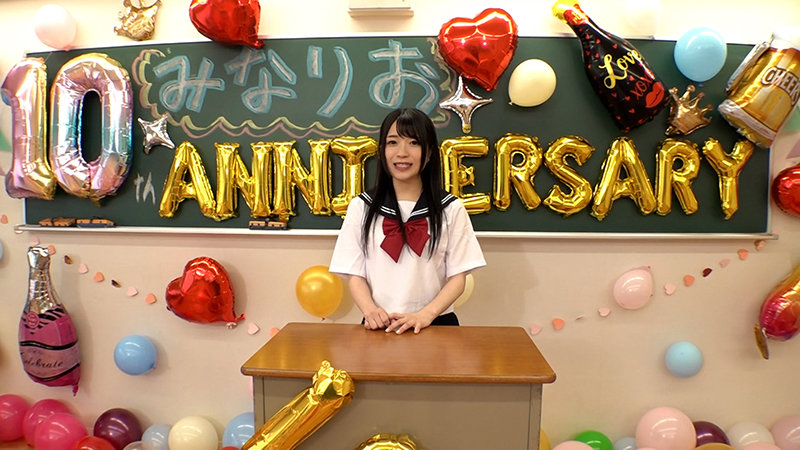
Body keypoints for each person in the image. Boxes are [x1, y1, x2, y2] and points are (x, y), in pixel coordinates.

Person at [329, 108, 485, 334]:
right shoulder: (362, 207)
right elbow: (355, 273)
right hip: (380, 325)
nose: (402, 153)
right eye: (392, 142)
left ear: (429, 152)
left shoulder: (450, 209)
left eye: (414, 143)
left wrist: (426, 315)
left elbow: (458, 277)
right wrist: (370, 311)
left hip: (435, 324)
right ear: (382, 150)